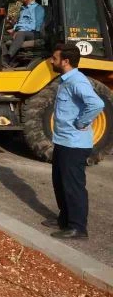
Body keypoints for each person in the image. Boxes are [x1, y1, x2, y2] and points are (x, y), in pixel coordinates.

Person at [44, 43, 104, 239]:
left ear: (65, 61)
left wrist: (82, 122)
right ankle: (64, 219)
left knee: (73, 186)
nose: (51, 61)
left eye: (55, 58)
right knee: (60, 183)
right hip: (63, 141)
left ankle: (78, 227)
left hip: (74, 144)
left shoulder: (77, 81)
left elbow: (96, 104)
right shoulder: (66, 80)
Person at [3, 0, 45, 65]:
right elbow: (20, 22)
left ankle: (9, 56)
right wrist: (14, 29)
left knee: (20, 34)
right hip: (21, 32)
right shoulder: (23, 9)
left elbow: (34, 26)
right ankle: (4, 59)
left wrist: (18, 30)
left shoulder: (37, 9)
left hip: (34, 33)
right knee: (1, 36)